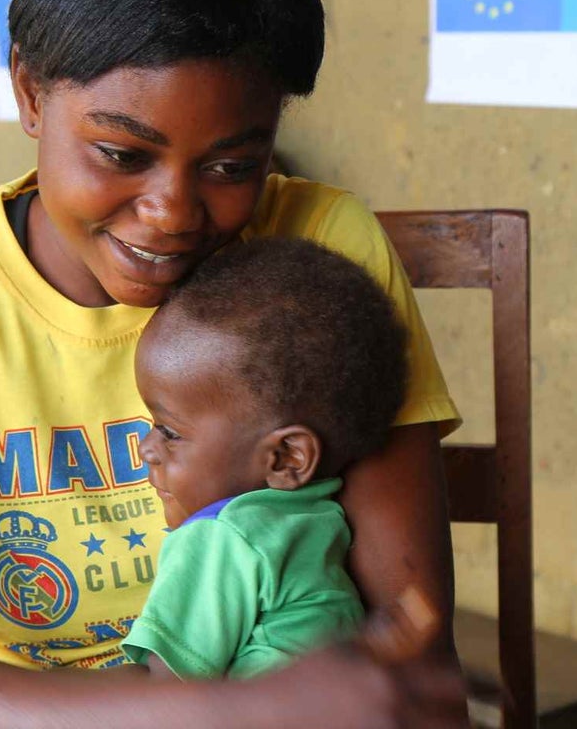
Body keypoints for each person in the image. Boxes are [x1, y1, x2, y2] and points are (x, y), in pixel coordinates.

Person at [0, 0, 468, 726]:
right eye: (121, 153)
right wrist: (226, 714)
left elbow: (412, 647)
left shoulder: (318, 249)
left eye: (232, 167)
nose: (172, 214)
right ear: (29, 91)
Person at [121, 237, 412, 679]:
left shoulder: (223, 538)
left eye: (170, 432)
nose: (146, 447)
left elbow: (160, 690)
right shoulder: (319, 518)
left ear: (286, 458)